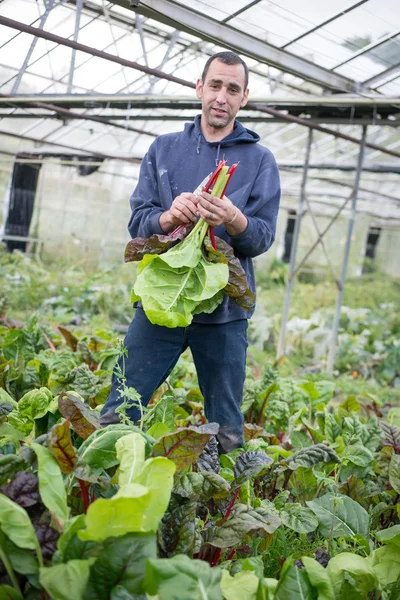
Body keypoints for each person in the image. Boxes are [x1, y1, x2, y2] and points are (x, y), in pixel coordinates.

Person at [100, 51, 281, 453]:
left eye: (233, 89)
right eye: (215, 85)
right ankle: (101, 487)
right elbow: (138, 221)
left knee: (227, 431)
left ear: (244, 97)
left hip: (224, 312)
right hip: (163, 298)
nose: (222, 96)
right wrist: (168, 218)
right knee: (120, 406)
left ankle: (225, 511)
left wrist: (234, 218)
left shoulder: (259, 160)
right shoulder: (164, 149)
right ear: (199, 87)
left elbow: (263, 238)